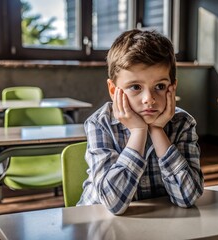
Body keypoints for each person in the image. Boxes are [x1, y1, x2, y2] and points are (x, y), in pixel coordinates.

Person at [77, 29, 204, 215]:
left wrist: (157, 131)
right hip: (98, 223)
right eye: (135, 87)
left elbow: (187, 197)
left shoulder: (183, 123)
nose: (149, 99)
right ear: (113, 90)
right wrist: (138, 132)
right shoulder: (100, 124)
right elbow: (113, 204)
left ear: (173, 88)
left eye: (159, 87)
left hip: (158, 223)